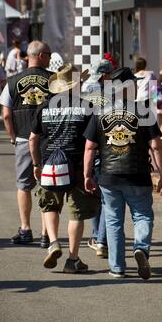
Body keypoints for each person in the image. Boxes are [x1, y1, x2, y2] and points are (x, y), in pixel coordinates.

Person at [83, 67, 162, 280]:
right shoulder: (144, 111)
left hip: (108, 176)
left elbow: (90, 147)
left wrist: (87, 175)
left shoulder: (100, 112)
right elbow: (156, 146)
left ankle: (117, 267)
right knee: (142, 215)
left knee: (113, 221)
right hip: (138, 175)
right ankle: (141, 248)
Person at [29, 64, 100, 273]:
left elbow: (33, 139)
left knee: (49, 205)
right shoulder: (87, 107)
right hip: (76, 166)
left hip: (49, 164)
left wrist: (36, 164)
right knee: (76, 213)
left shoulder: (44, 106)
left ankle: (53, 242)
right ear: (76, 84)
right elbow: (91, 142)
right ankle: (73, 259)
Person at [0, 40, 52, 247]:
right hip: (48, 140)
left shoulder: (12, 81)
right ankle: (46, 233)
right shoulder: (54, 80)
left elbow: (5, 114)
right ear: (39, 56)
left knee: (24, 186)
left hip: (22, 138)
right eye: (48, 54)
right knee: (47, 184)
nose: (49, 57)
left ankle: (25, 229)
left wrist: (12, 137)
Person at [82, 58, 115, 259]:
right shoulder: (115, 93)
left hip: (90, 147)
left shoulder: (86, 93)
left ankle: (96, 236)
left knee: (93, 195)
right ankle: (101, 240)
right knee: (106, 200)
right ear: (106, 74)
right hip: (109, 149)